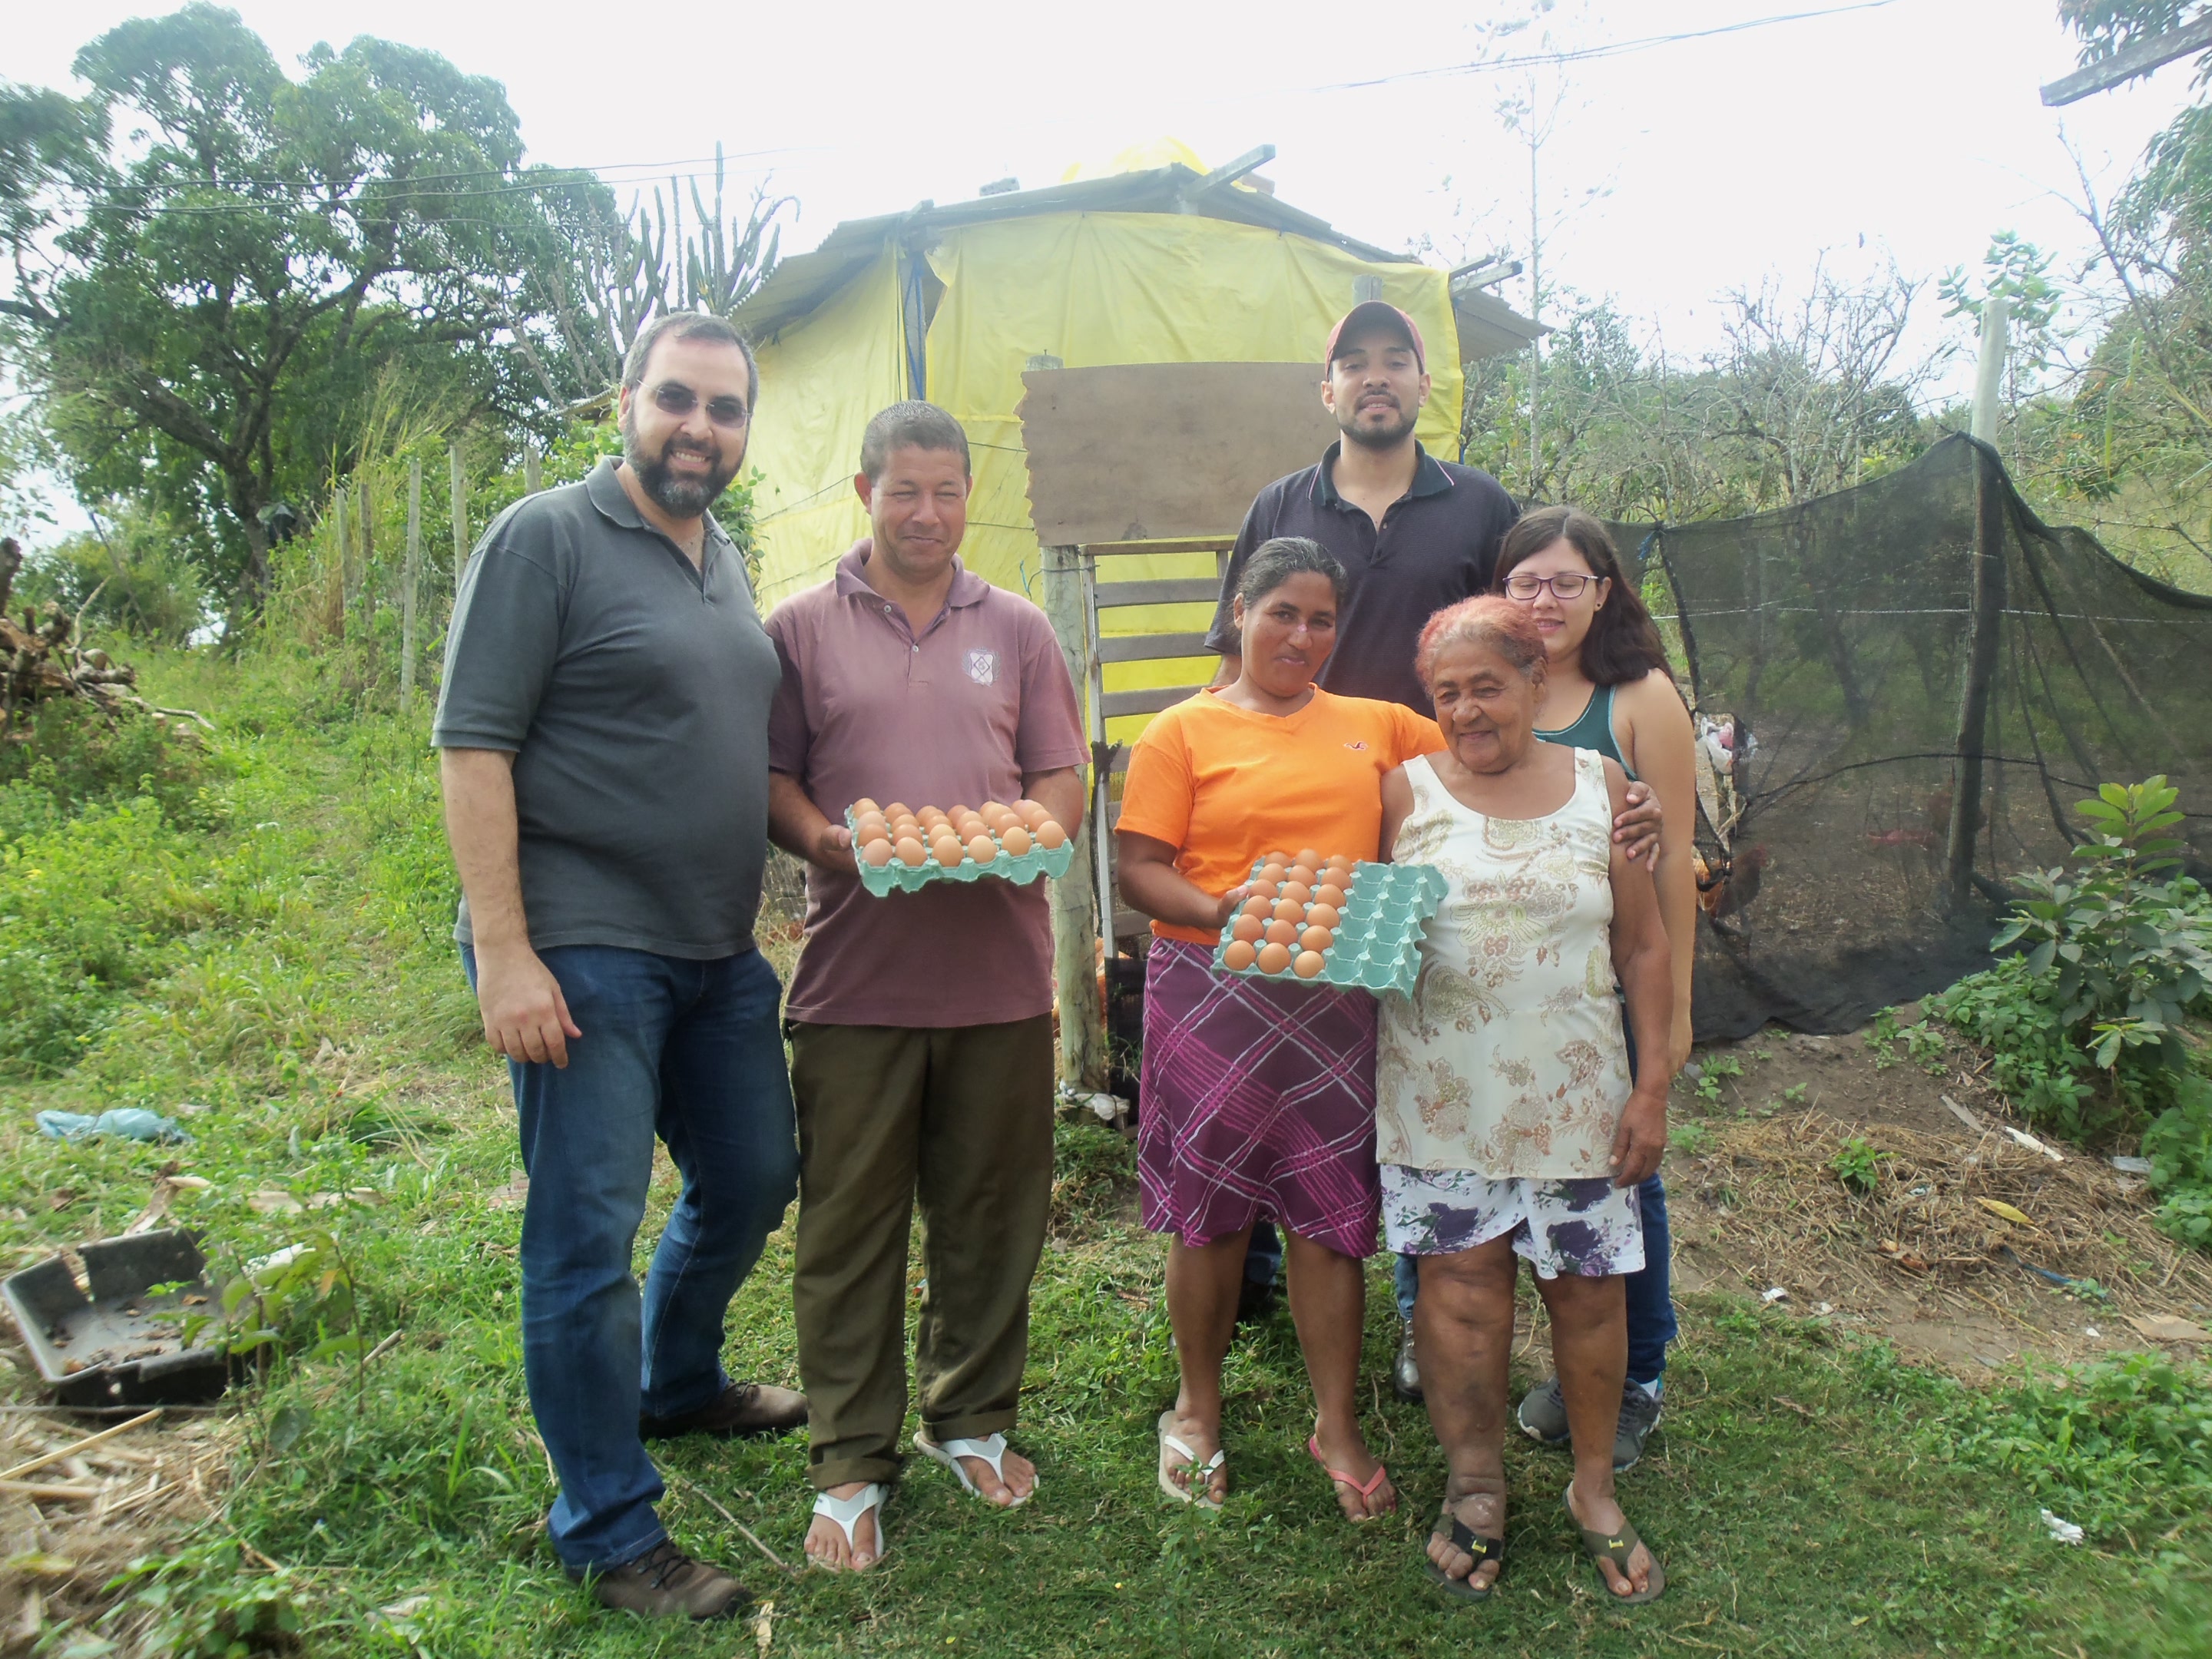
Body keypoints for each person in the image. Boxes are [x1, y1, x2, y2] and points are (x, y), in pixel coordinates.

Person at [1203, 303, 1658, 1369]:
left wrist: (1590, 778)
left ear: (1420, 383)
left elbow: (1520, 653)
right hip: (1320, 827)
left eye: (1393, 361)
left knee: (1424, 1040)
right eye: (1352, 363)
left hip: (1445, 824)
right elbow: (1230, 664)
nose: (1374, 378)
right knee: (1305, 1040)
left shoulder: (1478, 507)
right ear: (1327, 389)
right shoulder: (1281, 503)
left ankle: (1425, 1300)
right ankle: (1266, 1264)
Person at [435, 312, 804, 1622]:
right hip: (585, 946)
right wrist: (505, 952)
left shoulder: (724, 558)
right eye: (677, 400)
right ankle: (603, 1523)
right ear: (627, 403)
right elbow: (474, 748)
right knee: (585, 1236)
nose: (699, 428)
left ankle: (677, 1381)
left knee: (756, 1174)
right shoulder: (545, 537)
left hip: (714, 944)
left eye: (725, 409)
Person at [765, 402, 1089, 1573]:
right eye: (905, 490)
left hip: (1001, 979)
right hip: (856, 980)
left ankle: (972, 1417)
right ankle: (850, 1460)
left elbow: (1060, 772)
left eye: (947, 491)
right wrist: (829, 843)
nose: (928, 513)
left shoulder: (1017, 627)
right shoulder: (800, 628)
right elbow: (775, 779)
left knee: (990, 1215)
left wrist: (1024, 835)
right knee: (848, 1227)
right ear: (864, 493)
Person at [1117, 536, 1438, 1519]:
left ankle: (1334, 1421)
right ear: (1240, 613)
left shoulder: (1380, 725)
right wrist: (1230, 914)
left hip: (1336, 997)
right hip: (1211, 986)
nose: (1302, 636)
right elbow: (1140, 869)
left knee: (1329, 1211)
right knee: (1209, 1208)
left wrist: (1619, 788)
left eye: (1322, 619)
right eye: (1282, 613)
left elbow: (1488, 757)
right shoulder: (1181, 731)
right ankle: (1198, 1408)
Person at [1377, 596, 1675, 1606]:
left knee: (1589, 1296)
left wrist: (1652, 1086)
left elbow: (1641, 943)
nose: (1467, 710)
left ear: (1537, 682)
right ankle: (1476, 1484)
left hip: (1577, 1096)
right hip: (1440, 1092)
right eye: (1447, 693)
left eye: (1488, 687)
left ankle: (1593, 1490)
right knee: (1459, 1294)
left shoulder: (1607, 787)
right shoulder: (1400, 796)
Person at [1495, 506, 1698, 1472]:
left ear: (1603, 591)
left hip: (1610, 987)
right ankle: (1580, 1364)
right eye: (1526, 582)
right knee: (1540, 1176)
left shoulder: (1636, 699)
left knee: (1625, 1174)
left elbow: (1673, 871)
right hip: (1514, 997)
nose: (1544, 600)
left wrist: (1674, 1020)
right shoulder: (1492, 687)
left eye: (1565, 582)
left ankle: (1639, 1380)